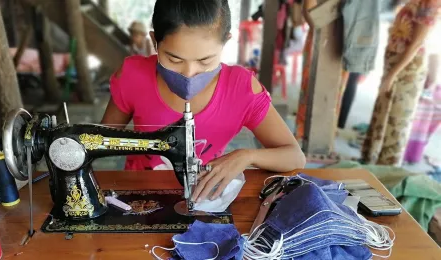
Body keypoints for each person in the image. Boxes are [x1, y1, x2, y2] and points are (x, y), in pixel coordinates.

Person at [101, 0, 305, 203]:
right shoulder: (133, 77)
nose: (189, 74)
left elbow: (294, 156)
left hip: (205, 195)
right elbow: (98, 142)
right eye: (174, 59)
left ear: (226, 41)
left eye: (205, 60)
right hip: (137, 194)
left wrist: (245, 157)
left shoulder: (241, 88)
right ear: (155, 41)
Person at [362, 0, 441, 166]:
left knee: (396, 121)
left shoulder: (430, 3)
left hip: (407, 70)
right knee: (383, 114)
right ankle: (371, 161)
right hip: (396, 63)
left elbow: (417, 44)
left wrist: (392, 75)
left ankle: (387, 169)